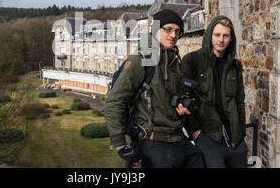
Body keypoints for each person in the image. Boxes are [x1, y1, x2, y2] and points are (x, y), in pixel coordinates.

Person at [103, 9, 204, 168]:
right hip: (154, 142)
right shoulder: (141, 60)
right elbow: (114, 104)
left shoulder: (175, 63)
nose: (173, 35)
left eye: (177, 31)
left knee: (200, 158)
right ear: (156, 29)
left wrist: (193, 127)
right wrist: (121, 145)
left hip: (178, 139)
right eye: (168, 30)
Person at [179, 15, 248, 168]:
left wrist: (241, 131)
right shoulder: (192, 61)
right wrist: (195, 132)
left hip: (233, 135)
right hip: (207, 133)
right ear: (210, 35)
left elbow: (239, 102)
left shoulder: (235, 66)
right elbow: (183, 100)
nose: (221, 40)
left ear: (231, 39)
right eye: (217, 35)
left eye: (226, 35)